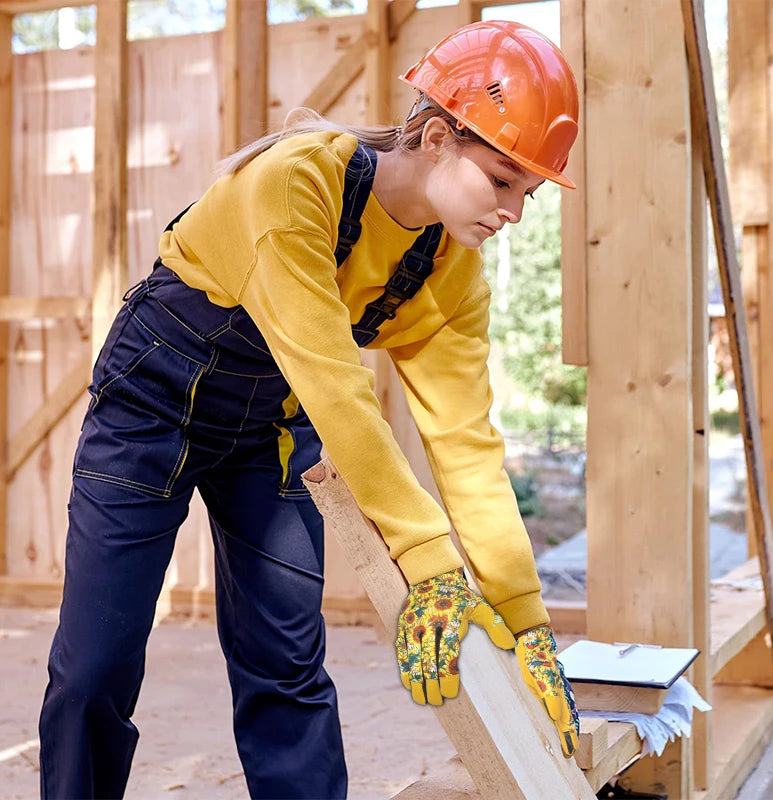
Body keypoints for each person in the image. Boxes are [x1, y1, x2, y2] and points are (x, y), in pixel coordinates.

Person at [38, 19, 580, 800]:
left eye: (527, 194)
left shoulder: (451, 274)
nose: (512, 214)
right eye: (501, 181)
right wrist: (431, 565)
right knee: (95, 665)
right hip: (152, 399)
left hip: (272, 430)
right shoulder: (295, 183)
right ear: (434, 137)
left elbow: (465, 443)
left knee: (286, 664)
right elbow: (336, 383)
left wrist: (522, 613)